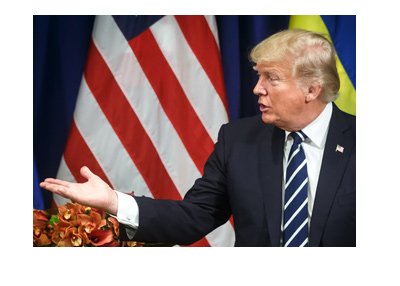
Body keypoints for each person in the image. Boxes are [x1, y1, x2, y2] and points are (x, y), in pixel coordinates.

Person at [40, 29, 356, 247]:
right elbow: (193, 217)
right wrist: (113, 201)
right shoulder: (238, 140)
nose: (257, 89)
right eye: (258, 76)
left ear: (311, 90)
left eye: (271, 79)